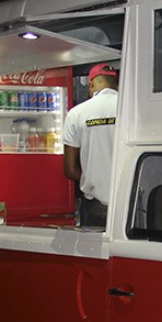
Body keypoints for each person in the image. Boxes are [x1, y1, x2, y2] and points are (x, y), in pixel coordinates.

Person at [62, 63, 119, 228]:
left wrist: (92, 177)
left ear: (91, 84)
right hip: (129, 202)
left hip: (94, 204)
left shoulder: (76, 113)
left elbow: (70, 169)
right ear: (116, 84)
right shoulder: (133, 108)